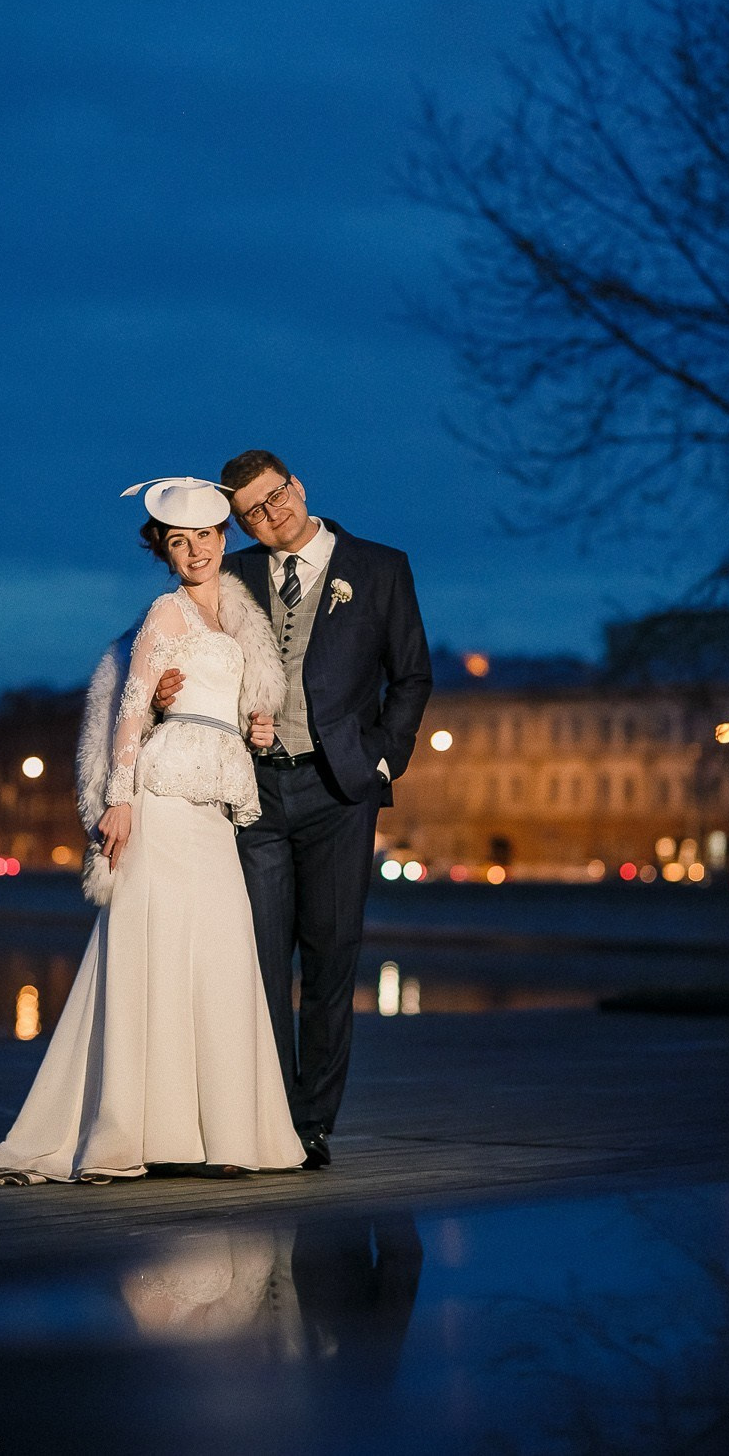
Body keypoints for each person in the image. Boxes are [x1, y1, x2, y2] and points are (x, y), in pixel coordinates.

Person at [0, 477, 305, 1183]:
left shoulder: (237, 620)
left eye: (204, 537)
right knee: (154, 956)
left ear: (223, 539)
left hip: (213, 803)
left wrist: (257, 730)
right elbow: (129, 708)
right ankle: (136, 1135)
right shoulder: (165, 613)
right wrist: (118, 801)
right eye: (179, 543)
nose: (194, 552)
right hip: (162, 797)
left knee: (220, 958)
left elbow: (237, 705)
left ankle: (225, 1136)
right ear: (165, 552)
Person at [156, 452, 431, 1169]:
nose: (271, 514)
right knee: (258, 962)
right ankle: (269, 1119)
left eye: (276, 496)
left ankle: (313, 1123)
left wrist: (383, 758)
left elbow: (411, 675)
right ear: (239, 522)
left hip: (340, 790)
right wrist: (161, 692)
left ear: (297, 486)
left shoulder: (381, 568)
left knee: (331, 960)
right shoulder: (234, 573)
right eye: (252, 511)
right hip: (255, 792)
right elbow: (174, 643)